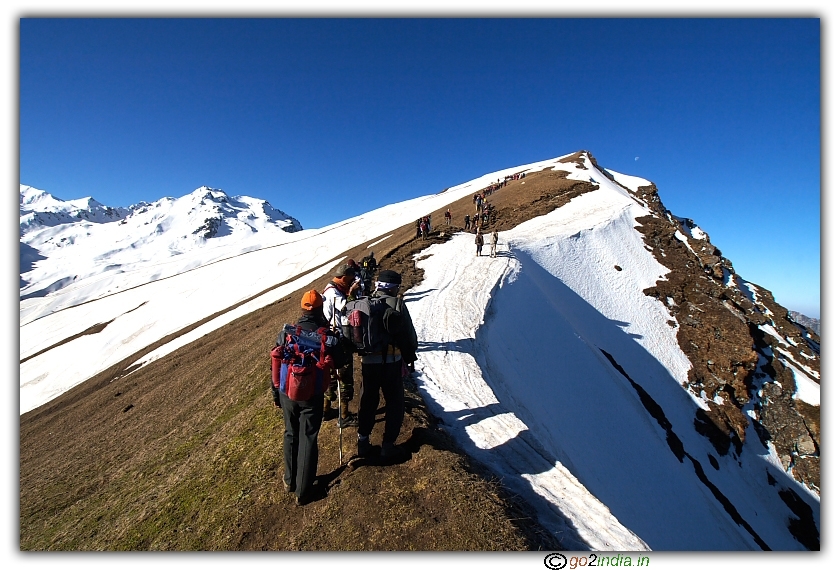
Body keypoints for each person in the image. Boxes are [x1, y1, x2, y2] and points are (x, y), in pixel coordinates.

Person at [273, 290, 336, 505]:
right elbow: (341, 359)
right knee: (308, 436)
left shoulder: (287, 332)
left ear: (302, 309)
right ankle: (303, 490)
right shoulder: (325, 335)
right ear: (319, 309)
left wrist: (276, 392)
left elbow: (276, 361)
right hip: (313, 392)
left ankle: (289, 480)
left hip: (287, 391)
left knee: (291, 433)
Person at [356, 270, 418, 460]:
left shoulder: (364, 303)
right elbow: (410, 338)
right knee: (395, 402)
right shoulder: (397, 304)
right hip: (391, 362)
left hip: (368, 363)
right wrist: (409, 357)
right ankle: (388, 446)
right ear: (394, 288)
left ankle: (363, 442)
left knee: (367, 401)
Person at [323, 263, 359, 427]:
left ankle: (326, 410)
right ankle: (343, 415)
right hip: (340, 339)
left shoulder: (329, 289)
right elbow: (347, 308)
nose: (351, 283)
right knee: (344, 376)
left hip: (330, 339)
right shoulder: (335, 294)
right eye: (350, 281)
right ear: (343, 278)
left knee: (329, 375)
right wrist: (352, 294)